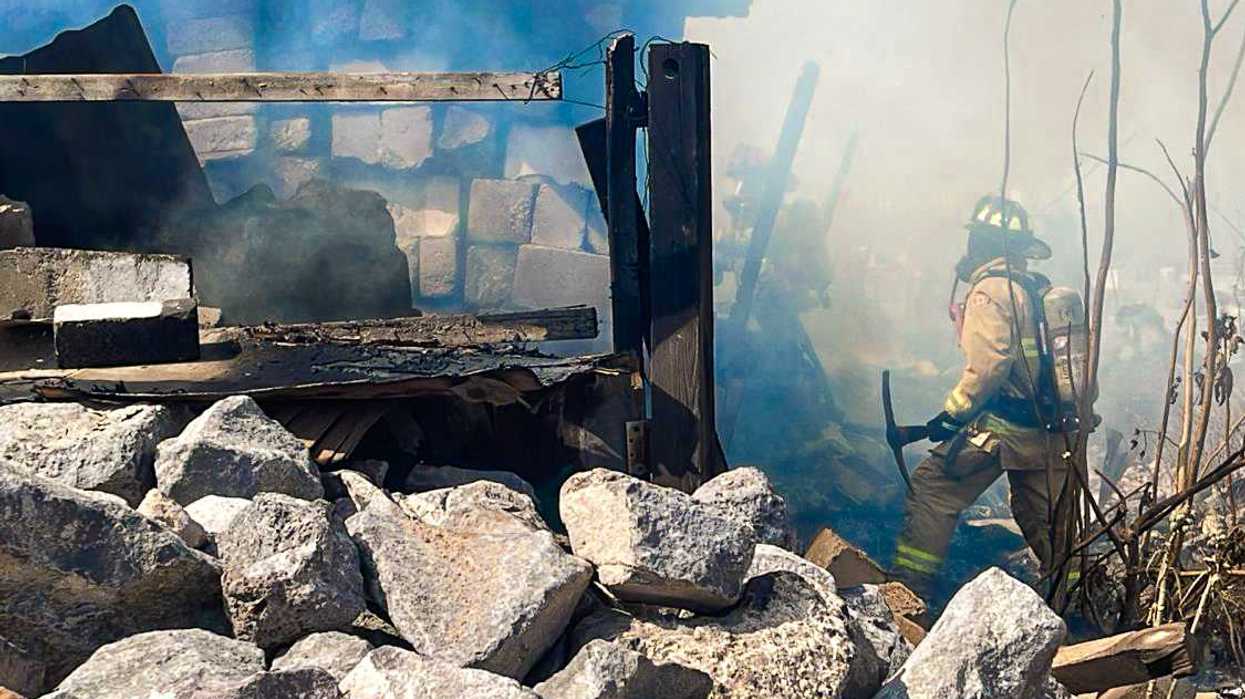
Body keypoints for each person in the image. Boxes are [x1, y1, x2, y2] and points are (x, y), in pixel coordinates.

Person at [891, 195, 1074, 597]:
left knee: (933, 488)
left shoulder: (990, 291)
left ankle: (907, 594)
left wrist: (952, 414)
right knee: (1048, 523)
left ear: (984, 245)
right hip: (1053, 431)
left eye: (976, 240)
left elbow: (989, 366)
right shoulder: (1039, 290)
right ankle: (1081, 603)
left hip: (1004, 429)